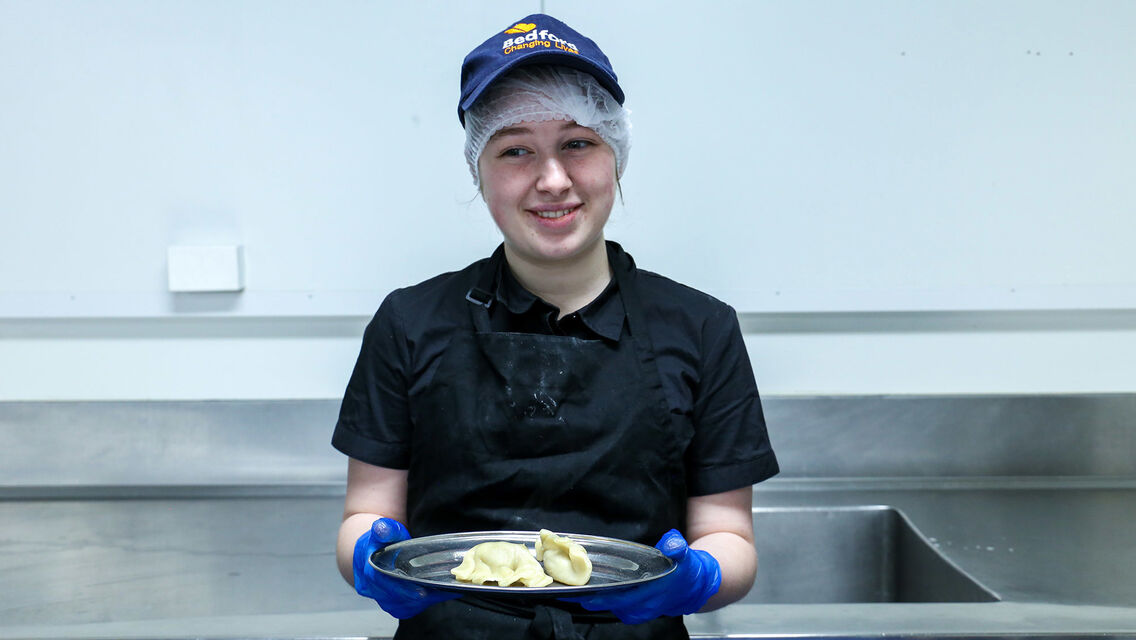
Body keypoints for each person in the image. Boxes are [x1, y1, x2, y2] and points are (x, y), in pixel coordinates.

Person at [332, 13, 778, 639]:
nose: (552, 180)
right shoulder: (409, 323)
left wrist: (697, 576)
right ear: (478, 170)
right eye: (516, 150)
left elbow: (730, 536)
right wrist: (370, 559)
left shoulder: (702, 328)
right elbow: (364, 515)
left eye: (578, 143)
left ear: (616, 157)